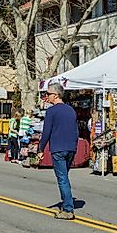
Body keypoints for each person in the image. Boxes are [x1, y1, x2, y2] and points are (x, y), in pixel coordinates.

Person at [37, 83, 78, 220]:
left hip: (58, 148)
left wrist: (41, 149)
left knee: (62, 179)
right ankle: (65, 203)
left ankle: (68, 209)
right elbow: (75, 131)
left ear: (56, 95)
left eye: (48, 94)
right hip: (70, 147)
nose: (46, 96)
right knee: (64, 177)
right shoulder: (71, 110)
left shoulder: (52, 111)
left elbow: (46, 132)